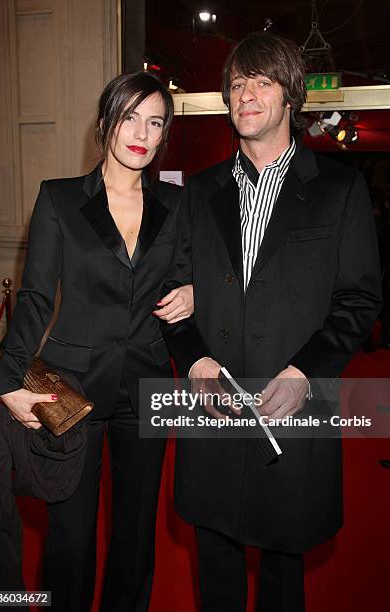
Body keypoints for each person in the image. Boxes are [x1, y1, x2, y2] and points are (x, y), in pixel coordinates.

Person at [158, 32, 382, 611]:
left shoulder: (340, 189)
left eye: (262, 81)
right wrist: (196, 358)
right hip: (213, 412)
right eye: (236, 84)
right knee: (217, 574)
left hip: (293, 411)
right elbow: (170, 292)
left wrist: (307, 371)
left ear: (290, 96)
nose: (246, 94)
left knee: (285, 576)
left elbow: (359, 299)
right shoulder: (199, 191)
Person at [0, 71, 193, 611]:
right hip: (73, 389)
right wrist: (7, 380)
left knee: (135, 533)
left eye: (155, 122)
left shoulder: (176, 205)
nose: (142, 133)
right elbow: (33, 298)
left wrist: (195, 292)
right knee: (71, 539)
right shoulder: (58, 200)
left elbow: (193, 277)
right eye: (130, 117)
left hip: (148, 385)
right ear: (105, 123)